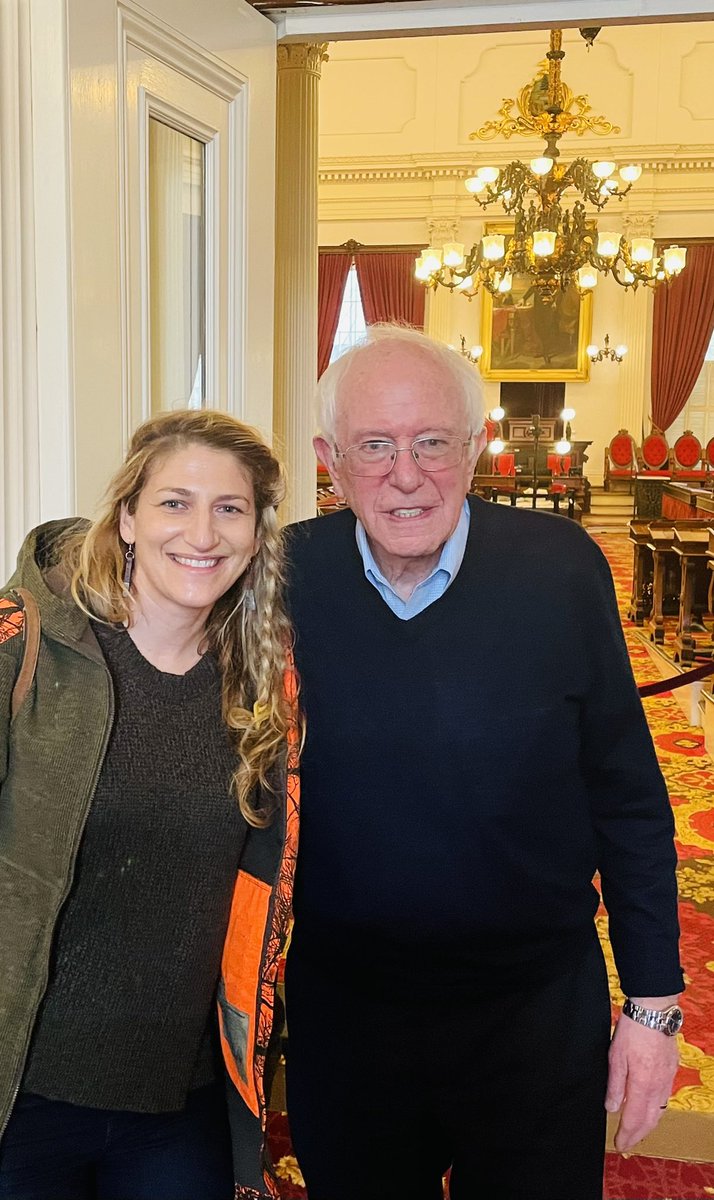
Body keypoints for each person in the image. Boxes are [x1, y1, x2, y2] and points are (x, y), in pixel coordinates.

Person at [283, 324, 683, 1200]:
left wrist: (653, 1004)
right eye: (374, 446)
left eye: (432, 442)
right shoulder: (284, 579)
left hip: (534, 1017)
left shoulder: (561, 569)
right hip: (348, 1021)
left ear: (474, 448)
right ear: (329, 460)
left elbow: (626, 795)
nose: (406, 474)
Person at [0, 409, 299, 1200]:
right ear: (127, 517)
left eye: (229, 508)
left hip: (181, 1102)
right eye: (174, 502)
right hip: (23, 1098)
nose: (202, 533)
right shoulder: (26, 651)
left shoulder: (265, 691)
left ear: (256, 533)